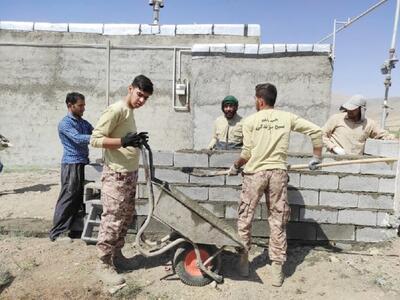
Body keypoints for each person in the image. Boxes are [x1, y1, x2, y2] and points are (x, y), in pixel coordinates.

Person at [228, 83, 323, 287]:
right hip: (278, 174)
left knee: (245, 218)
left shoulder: (250, 121)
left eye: (255, 99)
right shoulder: (287, 118)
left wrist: (235, 166)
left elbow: (247, 154)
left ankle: (244, 262)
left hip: (254, 175)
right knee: (277, 221)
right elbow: (316, 131)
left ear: (260, 100)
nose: (255, 102)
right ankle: (277, 271)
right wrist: (316, 156)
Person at [90, 75, 153, 286]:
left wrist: (134, 141)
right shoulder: (116, 109)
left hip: (128, 175)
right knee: (112, 220)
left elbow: (124, 140)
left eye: (146, 98)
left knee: (125, 218)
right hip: (116, 176)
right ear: (130, 88)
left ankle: (117, 256)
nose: (142, 100)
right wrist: (123, 141)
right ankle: (103, 264)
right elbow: (95, 139)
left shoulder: (130, 112)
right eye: (140, 95)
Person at [49, 92, 93, 242]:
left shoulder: (83, 123)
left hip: (83, 163)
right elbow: (78, 138)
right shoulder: (65, 123)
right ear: (70, 105)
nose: (83, 108)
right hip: (71, 164)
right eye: (80, 106)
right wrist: (99, 139)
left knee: (80, 198)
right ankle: (57, 234)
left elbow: (96, 131)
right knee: (68, 197)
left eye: (84, 105)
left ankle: (75, 230)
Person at [323, 94, 395, 155]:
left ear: (361, 109)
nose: (349, 111)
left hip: (354, 164)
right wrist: (333, 147)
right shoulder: (336, 118)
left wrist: (393, 139)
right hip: (332, 160)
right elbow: (321, 135)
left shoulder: (369, 124)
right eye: (348, 108)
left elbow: (383, 135)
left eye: (353, 109)